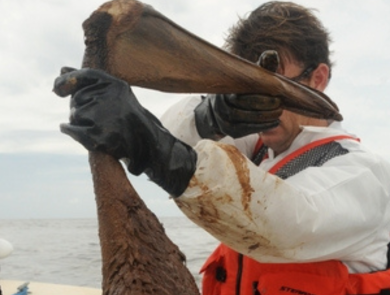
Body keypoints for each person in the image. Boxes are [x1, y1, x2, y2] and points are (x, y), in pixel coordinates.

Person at [53, 1, 390, 294]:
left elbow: (289, 220)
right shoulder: (256, 150)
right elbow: (175, 134)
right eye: (245, 85)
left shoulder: (364, 174)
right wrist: (210, 116)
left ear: (317, 79)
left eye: (276, 84)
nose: (263, 102)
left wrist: (153, 148)